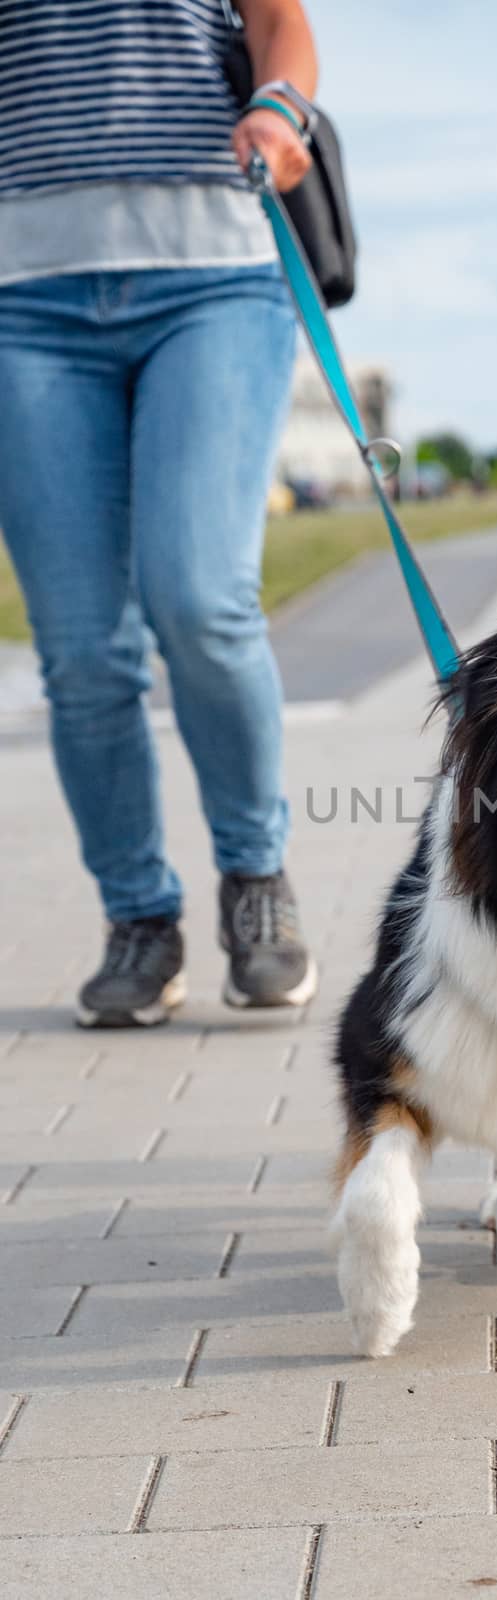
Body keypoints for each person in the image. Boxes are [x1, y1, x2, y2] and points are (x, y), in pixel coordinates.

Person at [0, 0, 320, 1026]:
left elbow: (279, 19)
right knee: (83, 649)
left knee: (199, 597)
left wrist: (278, 109)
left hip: (213, 277)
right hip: (21, 293)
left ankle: (256, 876)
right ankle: (139, 919)